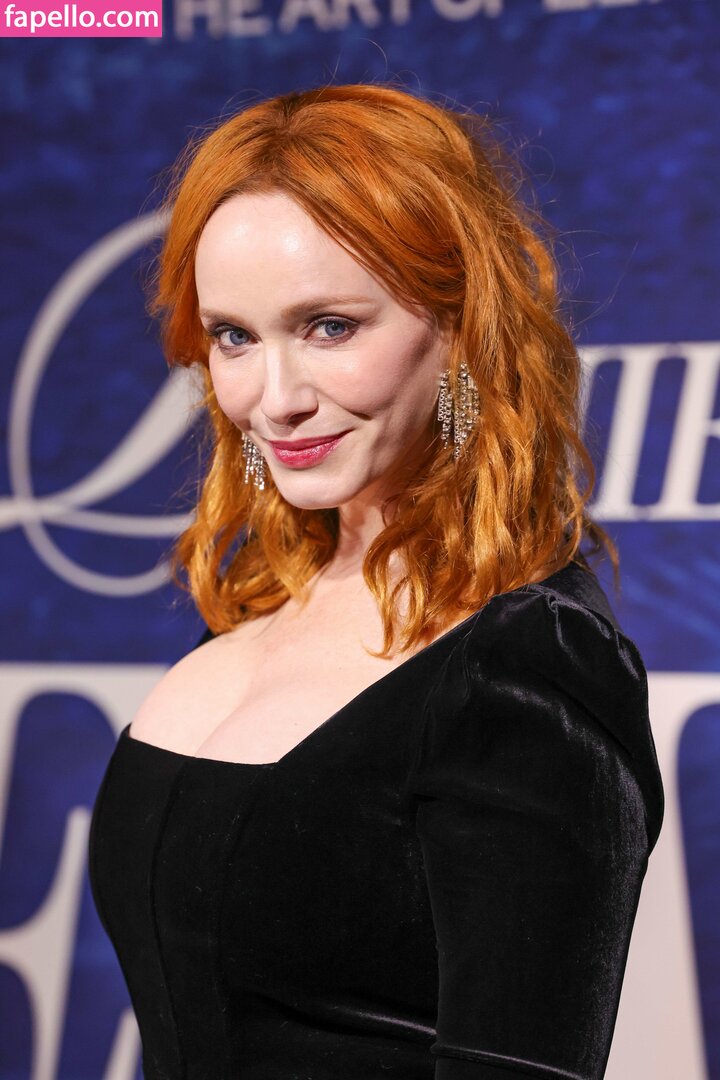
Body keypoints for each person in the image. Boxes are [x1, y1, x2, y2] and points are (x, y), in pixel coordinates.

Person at [88, 82, 665, 1080]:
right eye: (234, 336)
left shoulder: (527, 666)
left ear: (459, 326)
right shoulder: (264, 609)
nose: (274, 400)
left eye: (329, 327)